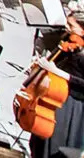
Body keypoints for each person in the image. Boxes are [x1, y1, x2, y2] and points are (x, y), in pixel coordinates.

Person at [30, 8, 84, 158]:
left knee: (54, 140)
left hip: (71, 103)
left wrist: (59, 73)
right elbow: (56, 63)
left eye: (71, 26)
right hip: (56, 95)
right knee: (40, 139)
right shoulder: (68, 43)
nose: (67, 28)